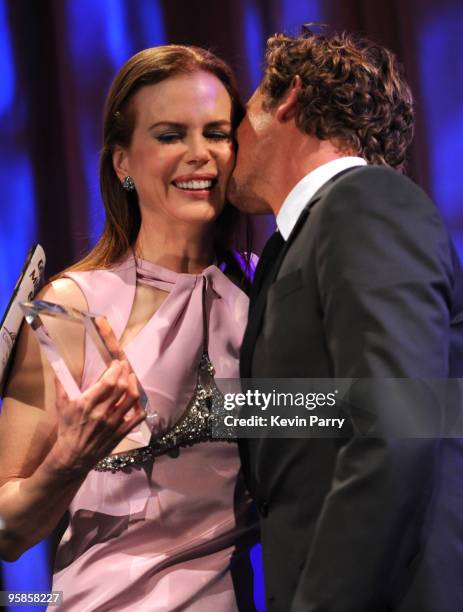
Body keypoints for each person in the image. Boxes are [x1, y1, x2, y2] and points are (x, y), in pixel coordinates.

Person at [0, 45, 259, 611]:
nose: (201, 155)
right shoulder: (68, 307)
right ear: (122, 163)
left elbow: (343, 422)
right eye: (170, 135)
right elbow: (6, 529)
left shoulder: (269, 294)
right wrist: (71, 456)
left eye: (217, 132)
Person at [228, 26, 463, 612]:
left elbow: (398, 424)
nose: (227, 141)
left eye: (243, 109)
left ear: (288, 97)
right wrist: (181, 416)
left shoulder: (367, 202)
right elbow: (333, 408)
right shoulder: (302, 240)